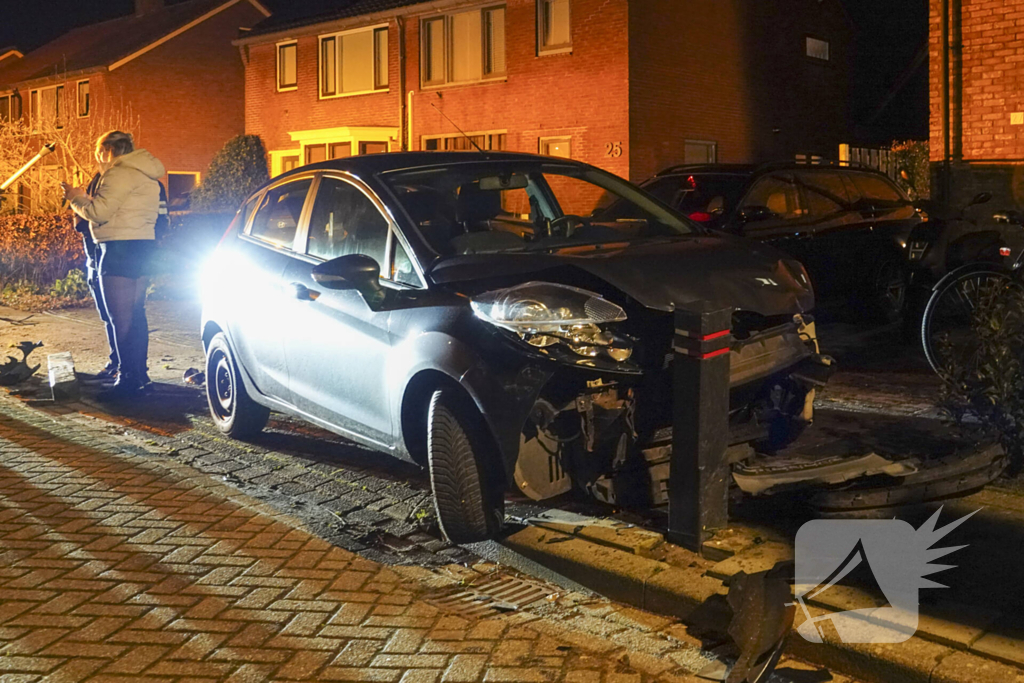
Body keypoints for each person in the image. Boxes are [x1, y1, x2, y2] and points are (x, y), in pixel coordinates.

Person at [61, 131, 165, 400]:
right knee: (135, 314)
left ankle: (127, 381)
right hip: (142, 247)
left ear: (107, 150)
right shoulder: (147, 173)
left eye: (99, 152)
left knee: (121, 319)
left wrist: (75, 197)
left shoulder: (118, 173)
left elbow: (99, 213)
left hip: (118, 249)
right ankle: (138, 376)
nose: (98, 159)